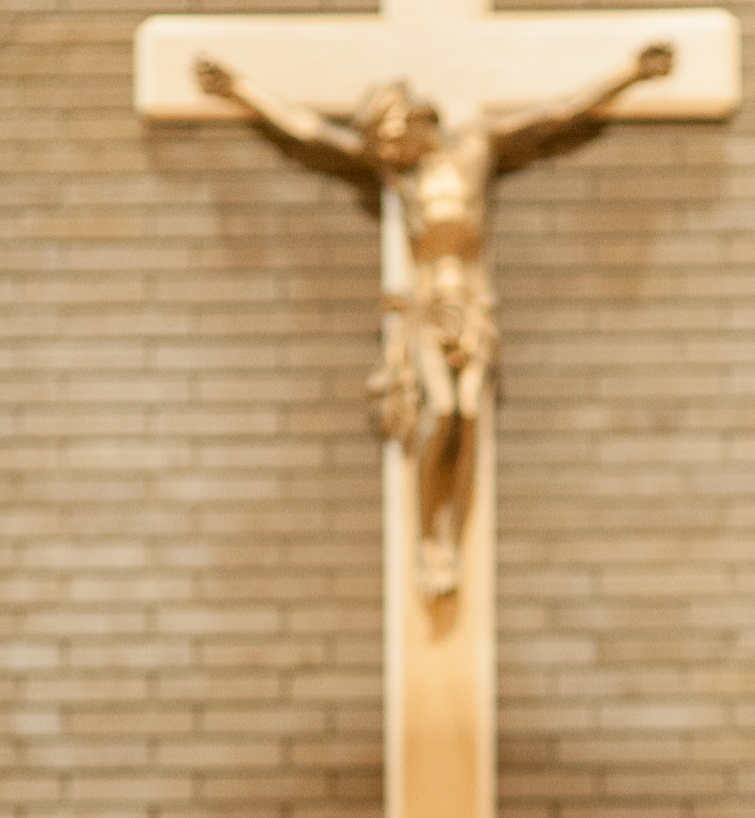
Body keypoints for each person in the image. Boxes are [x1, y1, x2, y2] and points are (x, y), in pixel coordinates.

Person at [192, 41, 672, 600]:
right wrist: (239, 90)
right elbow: (310, 132)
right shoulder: (400, 175)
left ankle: (452, 535)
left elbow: (559, 113)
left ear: (418, 120)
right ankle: (430, 539)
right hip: (424, 312)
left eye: (394, 139)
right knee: (441, 410)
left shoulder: (477, 147)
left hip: (472, 308)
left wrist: (630, 73)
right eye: (382, 147)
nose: (389, 153)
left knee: (469, 413)